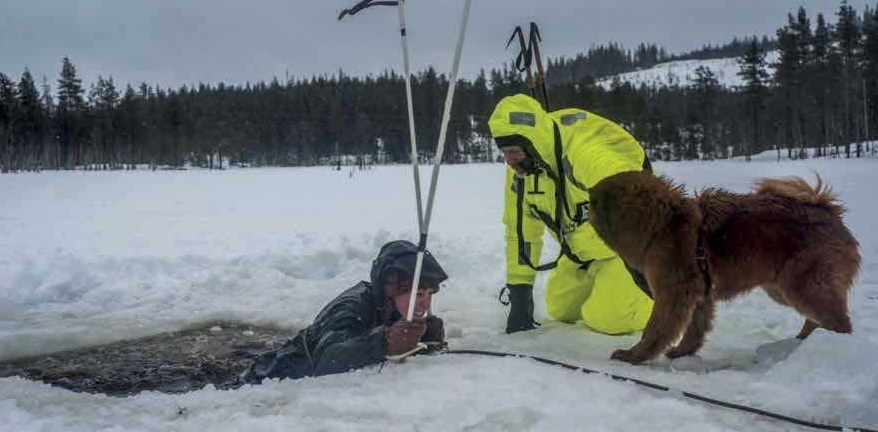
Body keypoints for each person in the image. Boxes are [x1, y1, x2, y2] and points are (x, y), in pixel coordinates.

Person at [488, 93, 654, 335]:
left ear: (532, 144)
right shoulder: (522, 173)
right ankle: (603, 281)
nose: (509, 161)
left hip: (625, 255)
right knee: (560, 309)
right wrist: (520, 296)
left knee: (609, 321)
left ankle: (656, 300)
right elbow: (520, 233)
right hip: (581, 255)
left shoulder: (583, 152)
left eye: (514, 151)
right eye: (504, 152)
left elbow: (635, 194)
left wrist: (644, 264)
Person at [240, 240, 448, 383]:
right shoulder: (351, 307)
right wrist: (384, 343)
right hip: (267, 378)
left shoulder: (393, 306)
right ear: (390, 289)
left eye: (430, 295)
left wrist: (425, 337)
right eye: (419, 295)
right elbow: (326, 359)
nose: (425, 304)